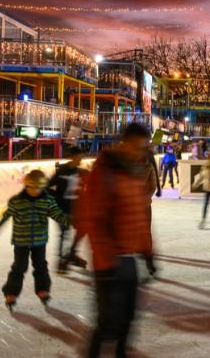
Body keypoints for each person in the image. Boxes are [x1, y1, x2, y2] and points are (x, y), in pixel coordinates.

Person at [77, 123, 153, 357]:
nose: (140, 153)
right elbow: (94, 219)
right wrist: (107, 259)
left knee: (128, 318)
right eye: (137, 147)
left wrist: (148, 252)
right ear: (125, 143)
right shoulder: (105, 172)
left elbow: (139, 215)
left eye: (144, 148)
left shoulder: (134, 171)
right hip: (108, 262)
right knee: (107, 321)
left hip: (129, 259)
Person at [0, 170, 69, 310]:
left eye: (38, 188)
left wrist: (68, 221)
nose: (35, 191)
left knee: (41, 265)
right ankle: (11, 292)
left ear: (43, 187)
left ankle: (43, 289)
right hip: (21, 240)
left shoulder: (48, 201)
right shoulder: (16, 201)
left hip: (39, 240)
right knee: (19, 267)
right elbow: (7, 215)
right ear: (26, 186)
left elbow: (56, 214)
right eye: (32, 187)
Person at [48, 146, 87, 273]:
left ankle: (71, 254)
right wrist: (56, 198)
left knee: (82, 230)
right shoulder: (62, 171)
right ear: (73, 157)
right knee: (64, 233)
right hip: (62, 208)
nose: (81, 160)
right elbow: (47, 186)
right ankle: (61, 261)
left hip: (76, 208)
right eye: (79, 157)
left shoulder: (80, 171)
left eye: (82, 157)